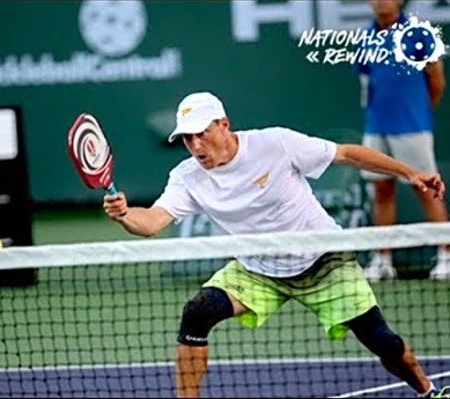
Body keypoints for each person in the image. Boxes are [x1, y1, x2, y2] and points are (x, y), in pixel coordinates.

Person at [103, 91, 448, 398]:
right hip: (259, 271)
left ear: (224, 124)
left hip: (323, 260)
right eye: (187, 139)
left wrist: (410, 173)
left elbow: (346, 154)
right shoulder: (187, 177)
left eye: (201, 134)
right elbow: (150, 222)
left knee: (381, 340)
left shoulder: (274, 144)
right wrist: (124, 214)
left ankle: (427, 391)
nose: (195, 146)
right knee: (198, 311)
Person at [357, 0, 449, 282]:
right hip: (376, 128)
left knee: (426, 189)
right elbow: (367, 83)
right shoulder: (364, 37)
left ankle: (446, 255)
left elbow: (436, 80)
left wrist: (418, 113)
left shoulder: (419, 33)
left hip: (412, 128)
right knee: (381, 191)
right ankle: (383, 259)